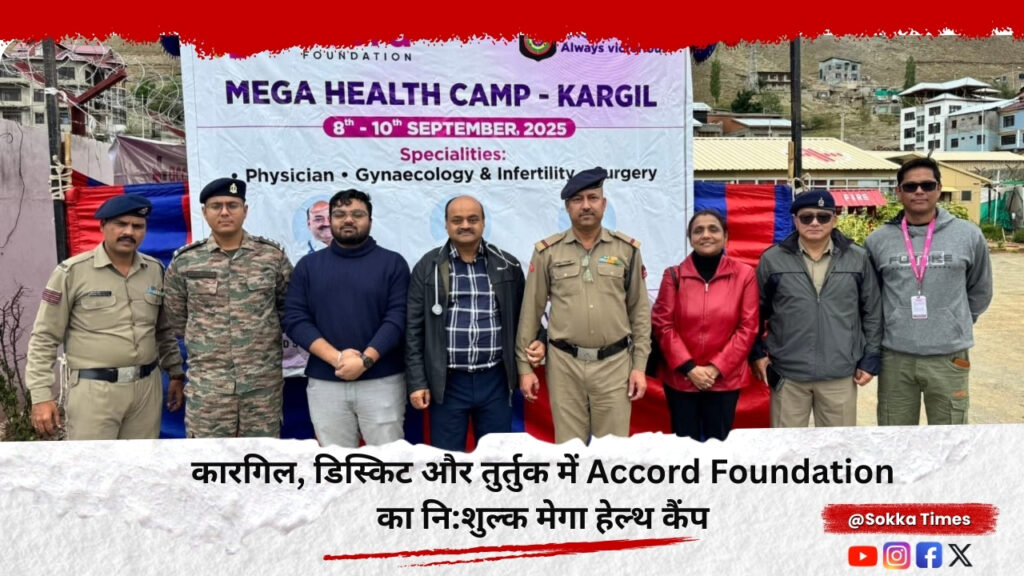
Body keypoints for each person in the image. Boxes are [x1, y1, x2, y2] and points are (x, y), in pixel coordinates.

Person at [25, 195, 184, 440]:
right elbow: (45, 336)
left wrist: (175, 373)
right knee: (92, 462)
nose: (129, 232)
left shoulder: (154, 270)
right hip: (94, 391)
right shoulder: (72, 272)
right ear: (102, 226)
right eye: (121, 224)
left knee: (140, 461)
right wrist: (41, 395)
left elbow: (162, 330)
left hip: (146, 390)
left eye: (137, 226)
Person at [517, 167, 651, 444]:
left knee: (613, 452)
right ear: (567, 207)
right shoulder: (548, 252)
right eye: (577, 200)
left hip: (615, 365)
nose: (586, 205)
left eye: (593, 198)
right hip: (564, 366)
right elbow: (530, 312)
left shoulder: (626, 250)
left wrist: (639, 366)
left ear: (604, 203)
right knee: (569, 450)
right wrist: (525, 369)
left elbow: (639, 312)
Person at [406, 195, 544, 451]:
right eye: (457, 220)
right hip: (446, 383)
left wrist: (540, 341)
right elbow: (413, 330)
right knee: (447, 460)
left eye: (472, 219)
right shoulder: (427, 266)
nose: (465, 225)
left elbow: (527, 317)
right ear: (446, 224)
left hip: (495, 381)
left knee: (497, 458)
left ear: (483, 223)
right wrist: (417, 382)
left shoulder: (507, 265)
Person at [163, 175, 293, 438]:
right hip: (209, 389)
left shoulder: (271, 256)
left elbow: (286, 309)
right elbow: (177, 318)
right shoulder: (186, 261)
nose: (224, 212)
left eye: (232, 205)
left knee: (261, 457)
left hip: (261, 388)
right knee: (208, 459)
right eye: (216, 206)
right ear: (204, 212)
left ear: (245, 210)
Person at [866, 157, 992, 425]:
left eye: (927, 185)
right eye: (910, 186)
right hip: (896, 357)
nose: (919, 191)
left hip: (949, 356)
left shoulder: (968, 235)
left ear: (939, 188)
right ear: (899, 192)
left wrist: (953, 321)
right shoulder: (878, 240)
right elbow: (872, 297)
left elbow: (980, 288)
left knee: (950, 436)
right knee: (895, 436)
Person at [283, 188, 410, 447]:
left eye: (357, 214)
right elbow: (295, 319)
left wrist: (365, 360)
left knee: (388, 462)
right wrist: (338, 358)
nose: (348, 219)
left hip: (382, 381)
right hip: (326, 381)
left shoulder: (393, 263)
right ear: (330, 220)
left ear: (370, 220)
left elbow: (397, 318)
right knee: (335, 464)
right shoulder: (308, 267)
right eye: (340, 214)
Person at [752, 189, 883, 428]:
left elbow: (872, 312)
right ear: (795, 220)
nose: (815, 222)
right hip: (788, 374)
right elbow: (755, 312)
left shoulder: (858, 258)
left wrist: (870, 357)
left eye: (823, 217)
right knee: (787, 447)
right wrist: (757, 354)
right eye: (806, 217)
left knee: (837, 446)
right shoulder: (772, 259)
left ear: (834, 220)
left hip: (840, 374)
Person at [650, 210, 759, 440]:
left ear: (725, 236)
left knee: (719, 448)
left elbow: (748, 328)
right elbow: (663, 325)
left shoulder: (744, 275)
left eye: (713, 229)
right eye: (698, 231)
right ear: (690, 238)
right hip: (681, 379)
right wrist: (689, 368)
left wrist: (715, 368)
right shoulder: (673, 275)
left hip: (725, 379)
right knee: (684, 449)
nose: (706, 235)